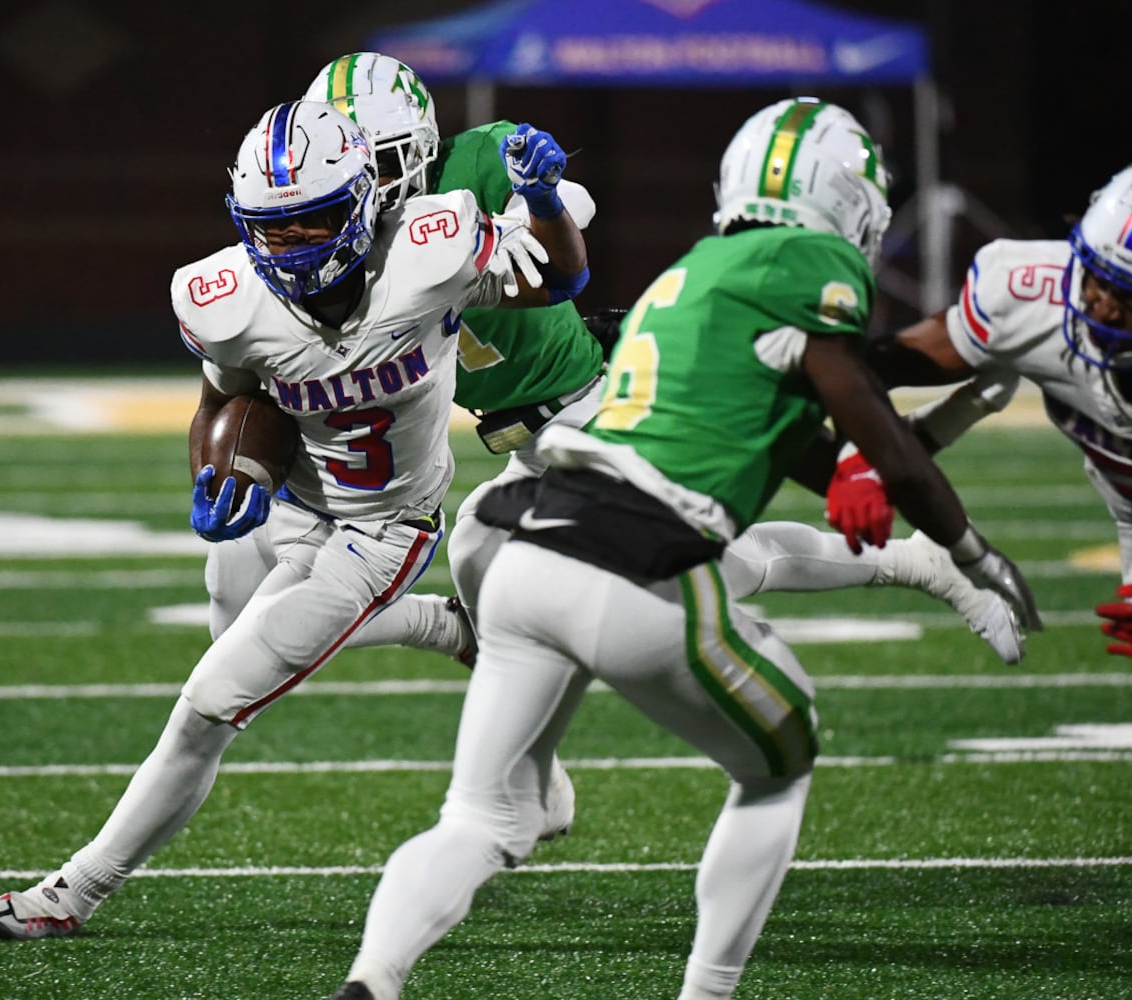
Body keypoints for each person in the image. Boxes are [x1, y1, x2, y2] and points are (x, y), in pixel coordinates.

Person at [327, 97, 1040, 1000]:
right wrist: (972, 552)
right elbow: (867, 421)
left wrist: (959, 417)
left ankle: (372, 979)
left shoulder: (694, 272)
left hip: (529, 545)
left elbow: (821, 454)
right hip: (635, 563)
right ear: (845, 197)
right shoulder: (806, 261)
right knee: (779, 765)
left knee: (475, 819)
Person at [0, 98, 590, 940]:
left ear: (366, 202)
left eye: (313, 224)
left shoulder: (431, 249)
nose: (291, 247)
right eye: (273, 227)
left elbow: (558, 279)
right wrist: (217, 473)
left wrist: (543, 203)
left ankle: (72, 892)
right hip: (290, 507)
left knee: (210, 701)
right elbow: (224, 398)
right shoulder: (220, 294)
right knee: (223, 647)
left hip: (380, 529)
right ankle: (450, 630)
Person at [822, 152, 1132, 698]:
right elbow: (877, 368)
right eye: (1096, 276)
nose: (1099, 305)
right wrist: (860, 455)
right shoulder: (1034, 298)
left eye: (1128, 296)